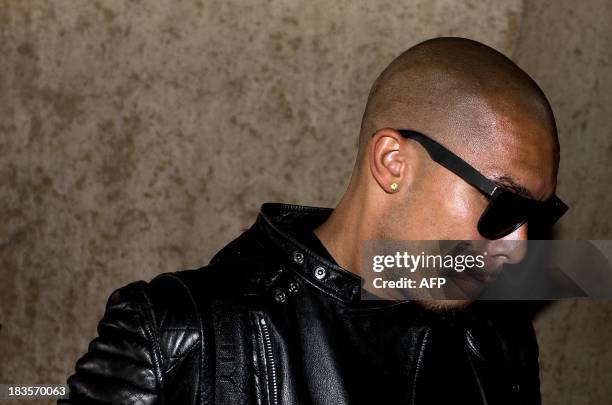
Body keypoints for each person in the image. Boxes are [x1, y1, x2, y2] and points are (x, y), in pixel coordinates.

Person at [59, 36, 567, 404]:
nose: (520, 249)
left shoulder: (500, 340)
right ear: (393, 163)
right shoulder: (176, 338)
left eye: (538, 217)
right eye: (505, 206)